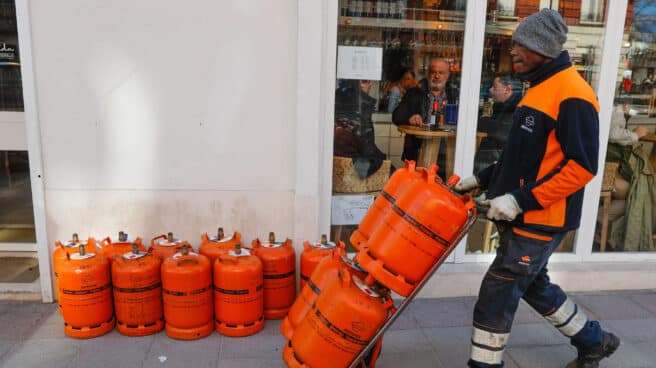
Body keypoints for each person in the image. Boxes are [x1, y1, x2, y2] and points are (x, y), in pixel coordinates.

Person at [453, 9, 619, 368]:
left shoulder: (574, 94)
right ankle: (595, 341)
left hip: (541, 219)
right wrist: (482, 180)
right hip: (528, 216)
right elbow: (524, 158)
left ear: (542, 47)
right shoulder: (540, 90)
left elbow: (582, 167)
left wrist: (518, 199)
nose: (513, 50)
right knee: (533, 285)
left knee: (496, 296)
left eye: (521, 45)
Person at [392, 57, 459, 162]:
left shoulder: (455, 95)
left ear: (448, 75)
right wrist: (410, 118)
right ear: (428, 74)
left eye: (441, 73)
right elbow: (396, 116)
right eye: (433, 72)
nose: (437, 76)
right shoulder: (414, 93)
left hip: (447, 153)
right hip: (418, 151)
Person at [334, 79, 387, 178]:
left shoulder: (337, 99)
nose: (371, 84)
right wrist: (384, 162)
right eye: (365, 81)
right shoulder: (360, 108)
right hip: (354, 173)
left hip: (337, 170)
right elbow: (367, 161)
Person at [474, 73, 521, 173]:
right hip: (493, 160)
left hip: (497, 163)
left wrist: (481, 121)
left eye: (494, 87)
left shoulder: (516, 107)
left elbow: (499, 130)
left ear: (507, 90)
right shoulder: (502, 105)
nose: (490, 90)